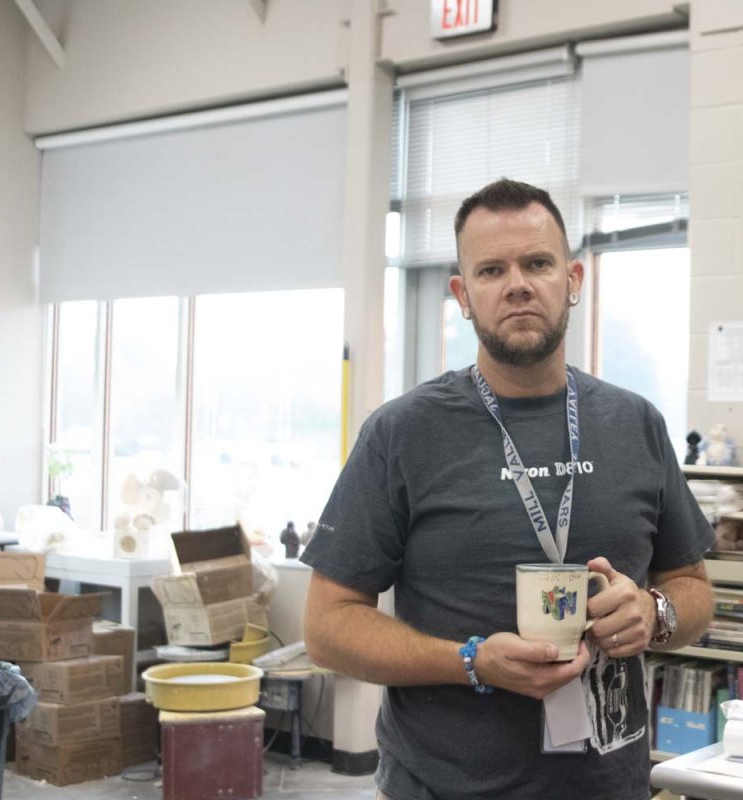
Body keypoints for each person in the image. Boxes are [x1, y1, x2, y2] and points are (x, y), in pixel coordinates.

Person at [301, 178, 716, 800]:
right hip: (442, 788)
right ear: (463, 295)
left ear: (573, 280)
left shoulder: (636, 425)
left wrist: (654, 615)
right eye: (491, 270)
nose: (517, 284)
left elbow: (694, 592)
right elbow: (328, 627)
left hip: (610, 786)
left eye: (538, 263)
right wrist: (470, 662)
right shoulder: (403, 433)